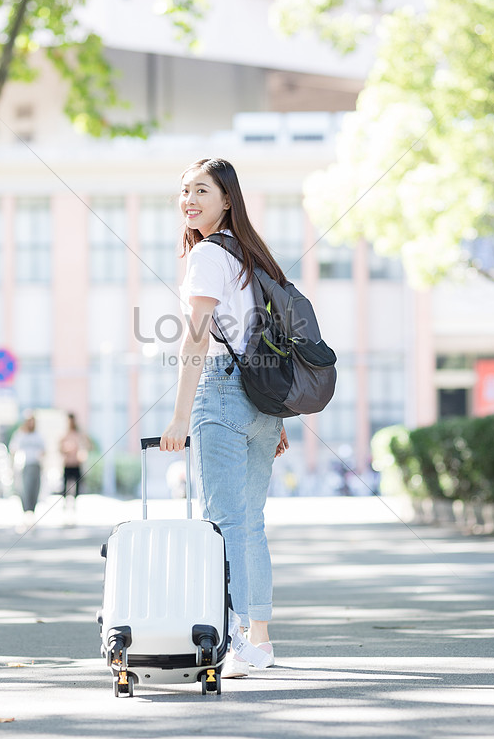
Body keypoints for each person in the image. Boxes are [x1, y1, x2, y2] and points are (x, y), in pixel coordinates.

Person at [159, 157, 290, 678]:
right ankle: (258, 639)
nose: (189, 200)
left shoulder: (209, 255)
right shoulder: (250, 257)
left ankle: (240, 640)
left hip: (223, 393)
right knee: (249, 523)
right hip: (261, 401)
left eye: (202, 192)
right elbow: (268, 342)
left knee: (225, 522)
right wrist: (274, 415)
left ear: (227, 201)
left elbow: (195, 337)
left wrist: (178, 416)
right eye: (185, 192)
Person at [9, 412, 45, 520]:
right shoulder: (20, 435)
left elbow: (44, 450)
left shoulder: (38, 435)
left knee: (35, 488)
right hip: (24, 465)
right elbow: (13, 449)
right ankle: (26, 509)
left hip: (35, 464)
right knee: (25, 488)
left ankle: (32, 510)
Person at [59, 413, 90, 510]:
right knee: (65, 484)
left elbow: (87, 445)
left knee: (77, 484)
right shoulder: (65, 434)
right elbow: (59, 448)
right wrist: (65, 450)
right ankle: (65, 503)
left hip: (76, 463)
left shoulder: (79, 434)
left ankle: (74, 503)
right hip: (67, 463)